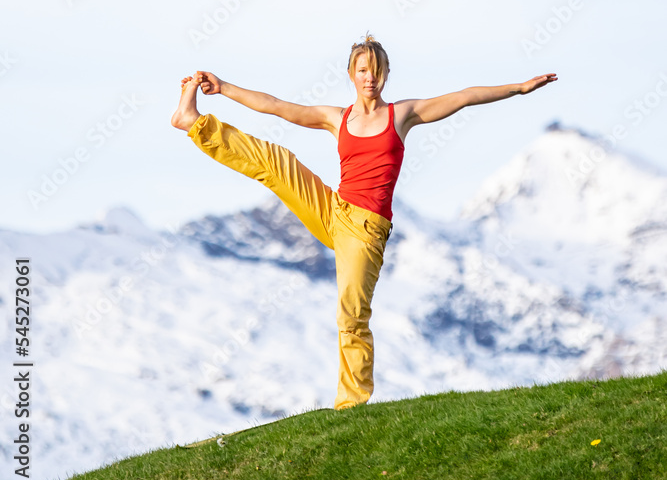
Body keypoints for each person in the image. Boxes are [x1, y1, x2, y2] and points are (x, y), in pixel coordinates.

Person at [171, 33, 557, 410]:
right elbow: (276, 106)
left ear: (386, 73)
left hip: (366, 231)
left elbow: (462, 97)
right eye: (361, 70)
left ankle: (351, 406)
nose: (368, 77)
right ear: (351, 75)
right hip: (333, 210)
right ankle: (193, 121)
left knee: (351, 315)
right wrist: (223, 87)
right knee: (276, 161)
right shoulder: (336, 118)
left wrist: (518, 88)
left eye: (375, 70)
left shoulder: (401, 115)